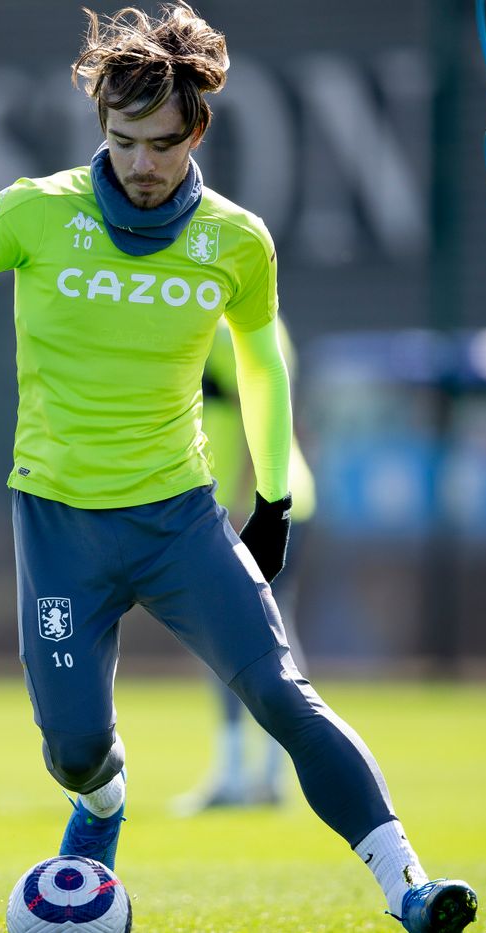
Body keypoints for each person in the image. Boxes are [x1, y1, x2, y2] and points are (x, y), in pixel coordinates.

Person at [0, 5, 477, 930]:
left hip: (181, 521)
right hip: (60, 525)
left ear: (196, 129)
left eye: (160, 143)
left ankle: (411, 886)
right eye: (123, 141)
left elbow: (266, 363)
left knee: (282, 692)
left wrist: (273, 493)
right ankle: (102, 803)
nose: (141, 164)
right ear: (102, 129)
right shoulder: (37, 210)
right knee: (73, 749)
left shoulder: (237, 241)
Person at [173, 317, 317, 813]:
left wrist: (246, 504)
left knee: (236, 636)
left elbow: (259, 412)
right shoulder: (267, 321)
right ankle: (264, 773)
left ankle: (245, 775)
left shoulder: (222, 324)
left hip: (247, 503)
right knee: (271, 632)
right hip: (274, 497)